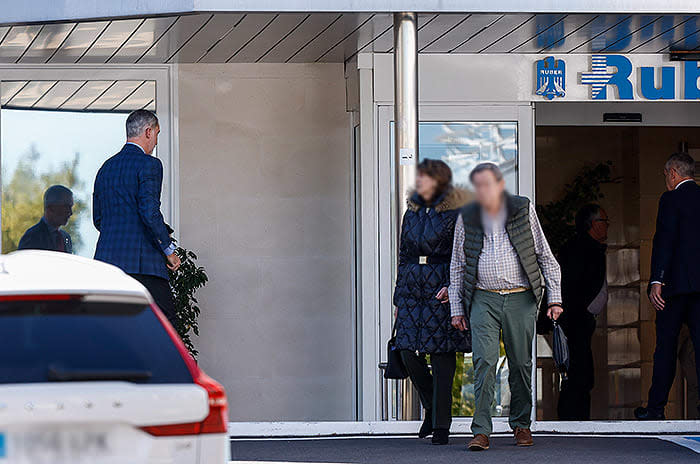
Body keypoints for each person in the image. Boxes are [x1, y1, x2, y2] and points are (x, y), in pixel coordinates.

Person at [449, 162, 562, 451]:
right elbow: (458, 265)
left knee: (521, 363)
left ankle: (521, 425)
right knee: (484, 362)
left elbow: (545, 256)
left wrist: (555, 299)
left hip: (520, 296)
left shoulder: (522, 209)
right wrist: (456, 308)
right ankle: (482, 431)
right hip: (482, 297)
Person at [392, 159, 471, 445]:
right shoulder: (410, 213)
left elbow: (462, 254)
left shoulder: (456, 212)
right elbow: (403, 255)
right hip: (413, 286)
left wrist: (454, 287)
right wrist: (399, 296)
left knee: (441, 357)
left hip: (441, 284)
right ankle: (431, 406)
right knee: (406, 351)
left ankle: (441, 425)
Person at [93, 109, 181, 324]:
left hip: (107, 264)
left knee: (115, 328)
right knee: (165, 324)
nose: (157, 141)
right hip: (143, 263)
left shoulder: (105, 168)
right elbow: (149, 212)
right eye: (158, 134)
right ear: (148, 132)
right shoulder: (150, 164)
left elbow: (98, 219)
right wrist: (168, 250)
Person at [635, 152, 700, 420]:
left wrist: (656, 280)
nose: (665, 179)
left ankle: (656, 408)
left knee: (665, 348)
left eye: (665, 174)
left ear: (673, 173)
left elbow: (665, 240)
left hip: (674, 287)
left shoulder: (670, 199)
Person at [557, 204, 608, 420]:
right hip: (576, 318)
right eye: (604, 222)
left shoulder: (584, 247)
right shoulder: (583, 248)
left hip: (579, 318)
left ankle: (575, 419)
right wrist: (584, 310)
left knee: (578, 372)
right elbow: (575, 285)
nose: (607, 227)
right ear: (592, 225)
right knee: (578, 373)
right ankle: (575, 421)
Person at [18, 185, 74, 253]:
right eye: (66, 207)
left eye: (70, 207)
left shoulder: (66, 238)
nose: (70, 213)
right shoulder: (32, 237)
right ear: (51, 208)